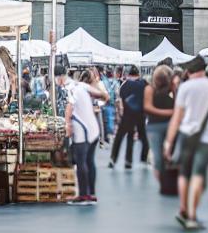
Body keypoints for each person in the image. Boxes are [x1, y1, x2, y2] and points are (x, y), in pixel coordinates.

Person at [165, 58, 208, 231]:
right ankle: (192, 213)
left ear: (190, 71)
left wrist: (169, 141)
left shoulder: (185, 87)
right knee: (198, 174)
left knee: (184, 173)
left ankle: (183, 208)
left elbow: (177, 116)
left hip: (186, 134)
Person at [59, 69, 103, 204]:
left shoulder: (76, 89)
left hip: (83, 129)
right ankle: (92, 193)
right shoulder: (94, 89)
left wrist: (68, 125)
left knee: (81, 160)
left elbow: (70, 107)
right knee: (90, 161)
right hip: (94, 128)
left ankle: (84, 195)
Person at [145, 65, 178, 197]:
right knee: (159, 156)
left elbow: (178, 103)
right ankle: (164, 185)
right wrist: (169, 113)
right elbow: (147, 107)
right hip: (158, 125)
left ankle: (168, 184)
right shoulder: (149, 89)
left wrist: (175, 88)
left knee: (167, 156)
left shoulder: (172, 89)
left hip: (163, 125)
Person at [113, 65, 149, 168]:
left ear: (128, 74)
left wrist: (120, 112)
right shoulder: (144, 84)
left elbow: (119, 100)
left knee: (122, 137)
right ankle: (143, 158)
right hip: (141, 114)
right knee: (143, 137)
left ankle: (116, 159)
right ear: (138, 74)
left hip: (127, 114)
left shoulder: (124, 85)